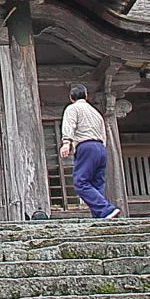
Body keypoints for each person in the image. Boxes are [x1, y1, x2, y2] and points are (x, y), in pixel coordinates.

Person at [59, 83, 121, 219]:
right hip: (100, 147)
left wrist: (66, 143)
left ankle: (105, 209)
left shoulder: (72, 109)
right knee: (96, 183)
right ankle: (100, 215)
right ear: (86, 96)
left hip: (85, 146)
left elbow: (69, 125)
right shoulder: (96, 112)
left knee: (80, 182)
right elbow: (103, 133)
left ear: (71, 98)